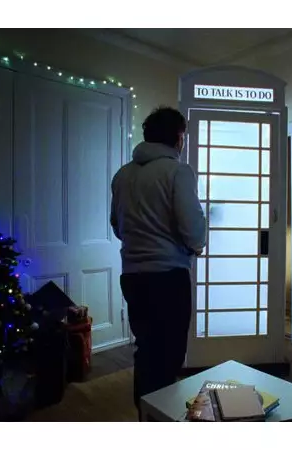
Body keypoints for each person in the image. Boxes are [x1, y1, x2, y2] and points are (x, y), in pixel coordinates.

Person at [110, 106, 206, 418]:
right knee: (169, 356)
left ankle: (147, 417)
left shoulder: (123, 174)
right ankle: (163, 420)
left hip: (132, 276)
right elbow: (193, 229)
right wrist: (196, 246)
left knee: (147, 350)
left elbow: (117, 226)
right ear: (178, 137)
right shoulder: (178, 171)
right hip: (168, 277)